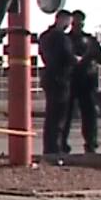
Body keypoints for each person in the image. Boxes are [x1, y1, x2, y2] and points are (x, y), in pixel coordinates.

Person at [37, 10, 76, 156]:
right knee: (59, 115)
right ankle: (55, 147)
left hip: (49, 76)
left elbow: (44, 55)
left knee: (51, 114)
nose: (68, 25)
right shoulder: (61, 38)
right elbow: (67, 56)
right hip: (61, 78)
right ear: (62, 20)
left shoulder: (44, 36)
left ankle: (50, 147)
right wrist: (76, 60)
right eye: (68, 22)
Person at [68, 11, 101, 153]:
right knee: (67, 113)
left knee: (89, 113)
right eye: (76, 22)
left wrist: (92, 58)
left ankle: (91, 141)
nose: (78, 25)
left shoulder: (90, 40)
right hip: (71, 79)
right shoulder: (67, 39)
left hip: (88, 80)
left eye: (80, 22)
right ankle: (62, 142)